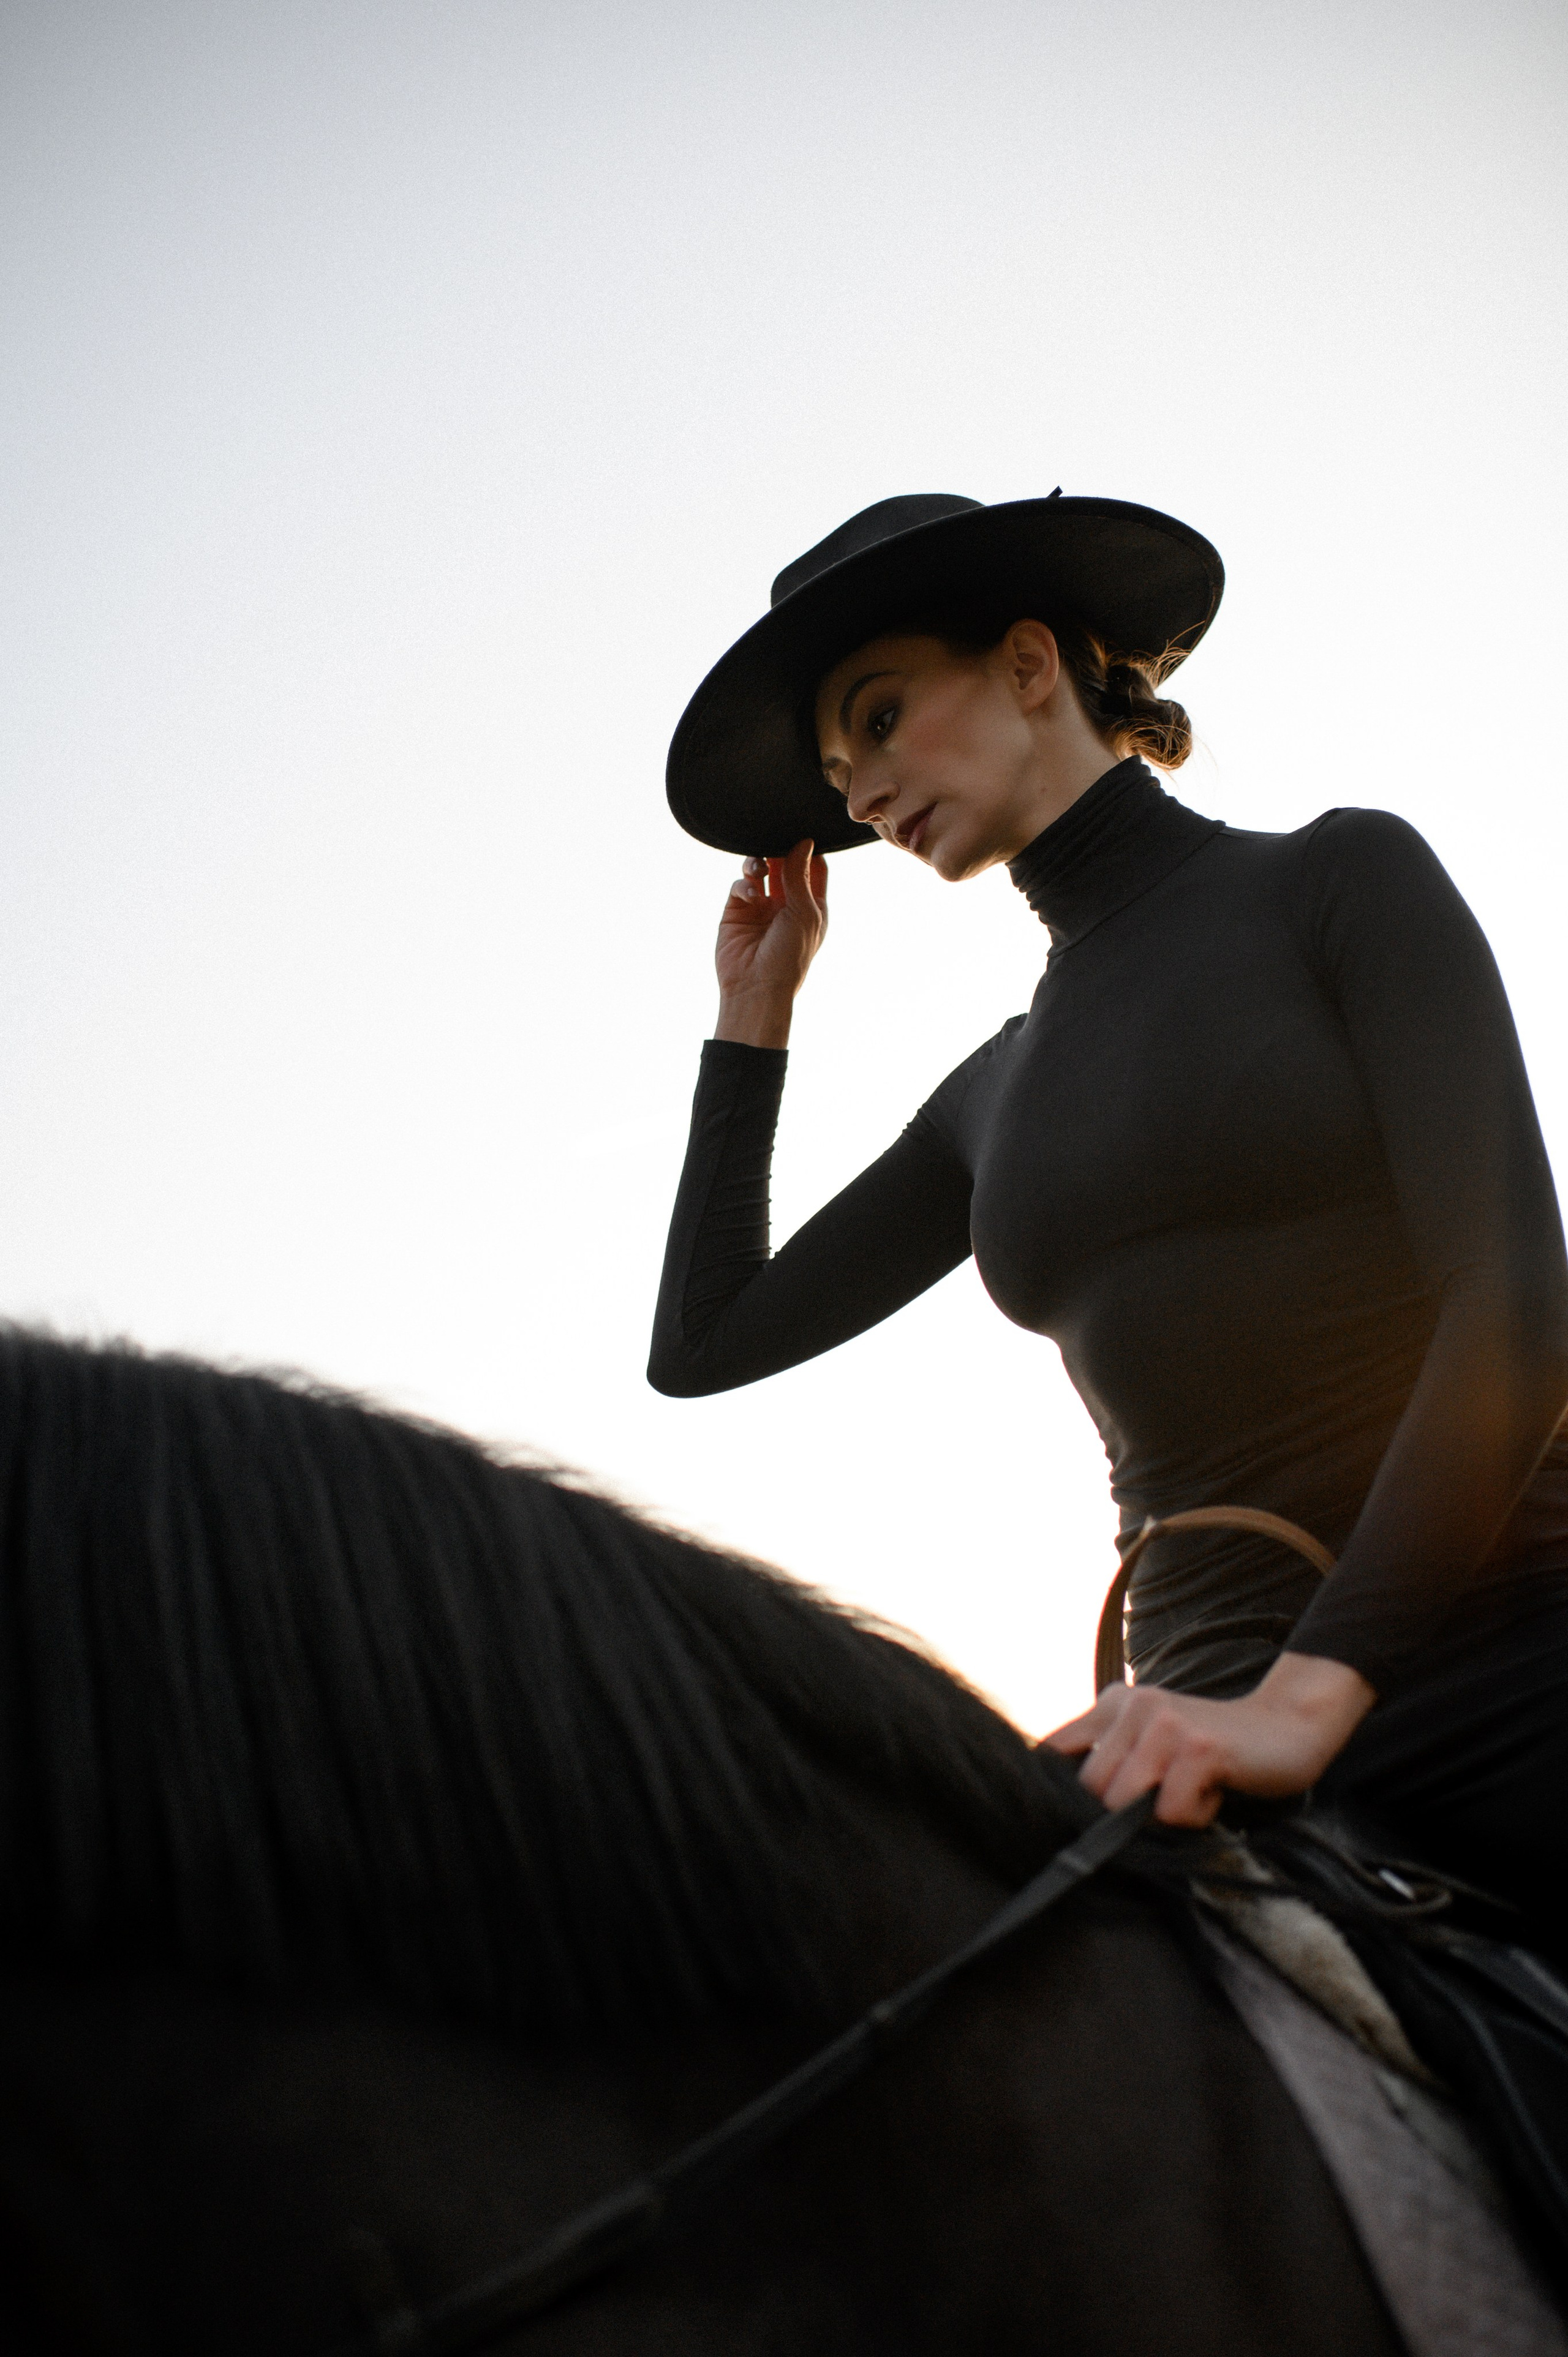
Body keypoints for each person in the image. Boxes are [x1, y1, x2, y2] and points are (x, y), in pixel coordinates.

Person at [648, 492, 1568, 1958]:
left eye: (879, 719)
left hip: (1500, 1672)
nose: (861, 792)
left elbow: (1515, 1304)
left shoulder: (1338, 880)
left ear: (1026, 664)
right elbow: (700, 1346)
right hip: (1182, 1752)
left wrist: (1308, 1694)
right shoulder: (991, 1096)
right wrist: (749, 1023)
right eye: (835, 771)